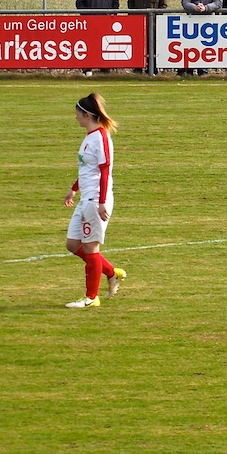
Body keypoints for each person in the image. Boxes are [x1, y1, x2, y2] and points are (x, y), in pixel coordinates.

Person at [63, 93, 125, 308]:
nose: (76, 118)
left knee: (91, 249)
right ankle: (110, 271)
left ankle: (91, 298)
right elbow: (87, 169)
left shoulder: (101, 138)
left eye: (78, 114)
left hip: (96, 199)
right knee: (72, 244)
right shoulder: (89, 137)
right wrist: (73, 190)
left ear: (87, 115)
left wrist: (101, 202)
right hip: (85, 198)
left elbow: (104, 170)